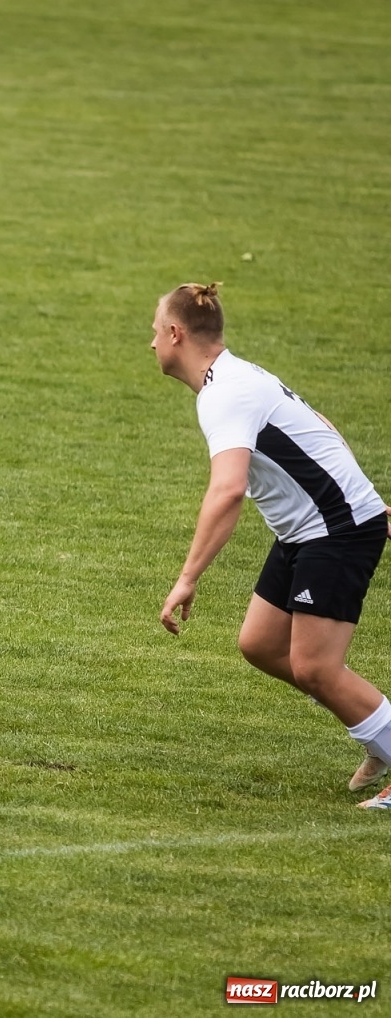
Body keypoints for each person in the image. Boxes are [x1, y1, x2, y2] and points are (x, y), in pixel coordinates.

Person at [151, 282, 391, 810]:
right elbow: (322, 426)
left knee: (315, 668)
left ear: (175, 333)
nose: (151, 345)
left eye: (154, 332)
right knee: (260, 643)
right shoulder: (238, 375)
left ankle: (385, 737)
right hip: (310, 529)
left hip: (336, 531)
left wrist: (188, 577)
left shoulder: (225, 393)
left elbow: (228, 488)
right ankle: (378, 733)